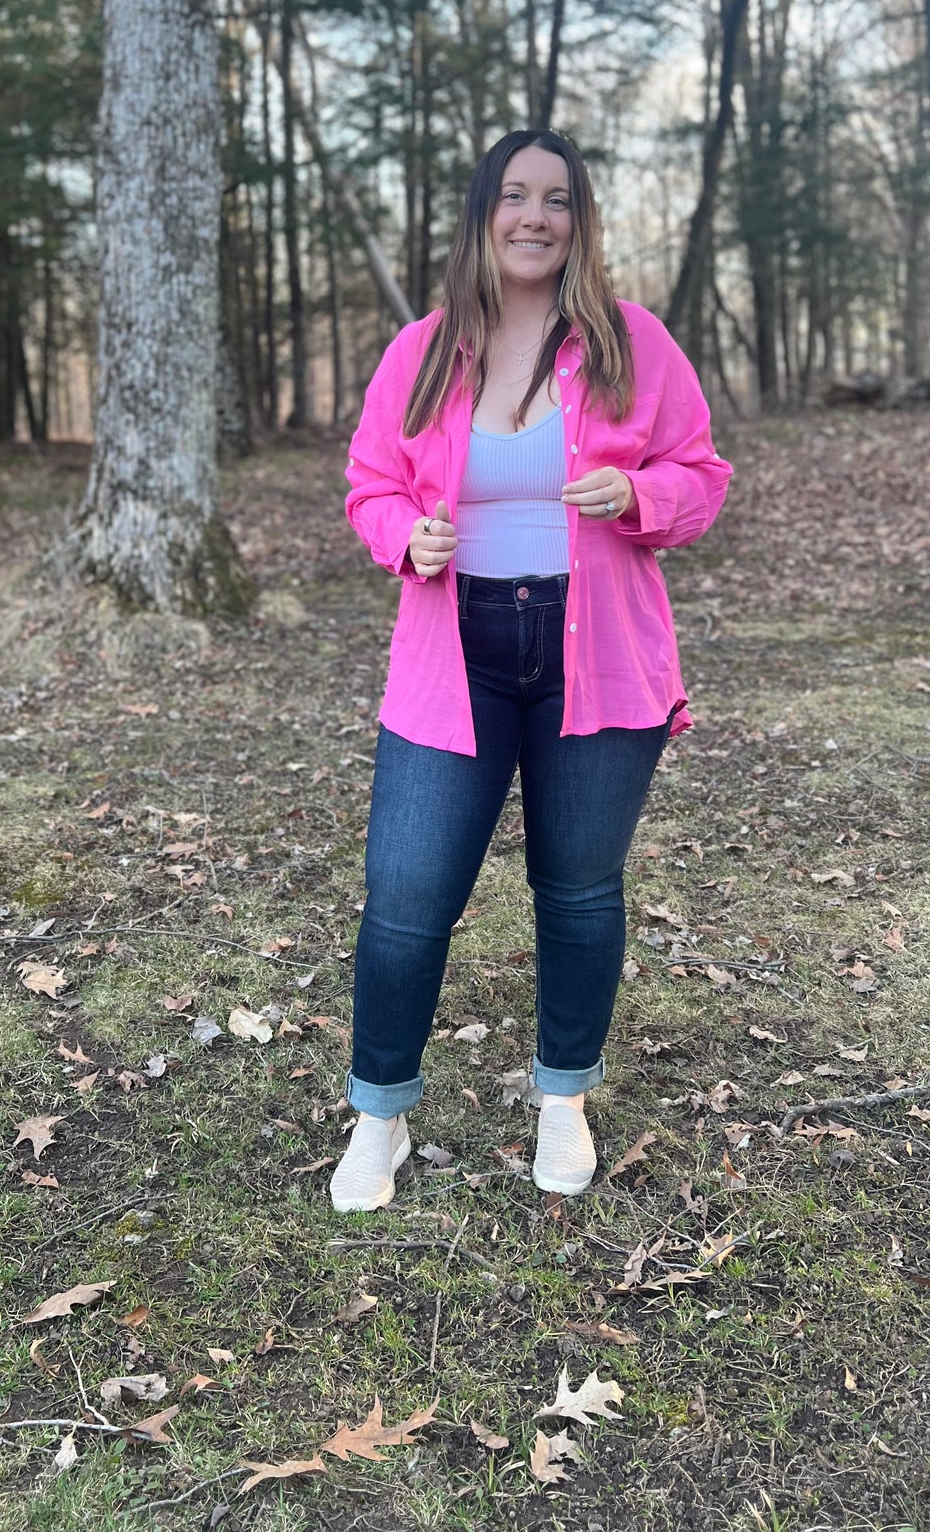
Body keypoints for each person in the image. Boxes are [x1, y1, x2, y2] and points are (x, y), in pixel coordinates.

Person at [331, 129, 732, 1213]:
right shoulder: (420, 349)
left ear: (577, 221)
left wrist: (639, 497)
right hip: (449, 654)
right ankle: (380, 1111)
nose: (534, 217)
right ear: (480, 215)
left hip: (592, 655)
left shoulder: (629, 341)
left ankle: (562, 1093)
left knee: (577, 885)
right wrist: (401, 533)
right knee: (408, 892)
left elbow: (700, 474)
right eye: (513, 195)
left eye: (556, 199)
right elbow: (369, 484)